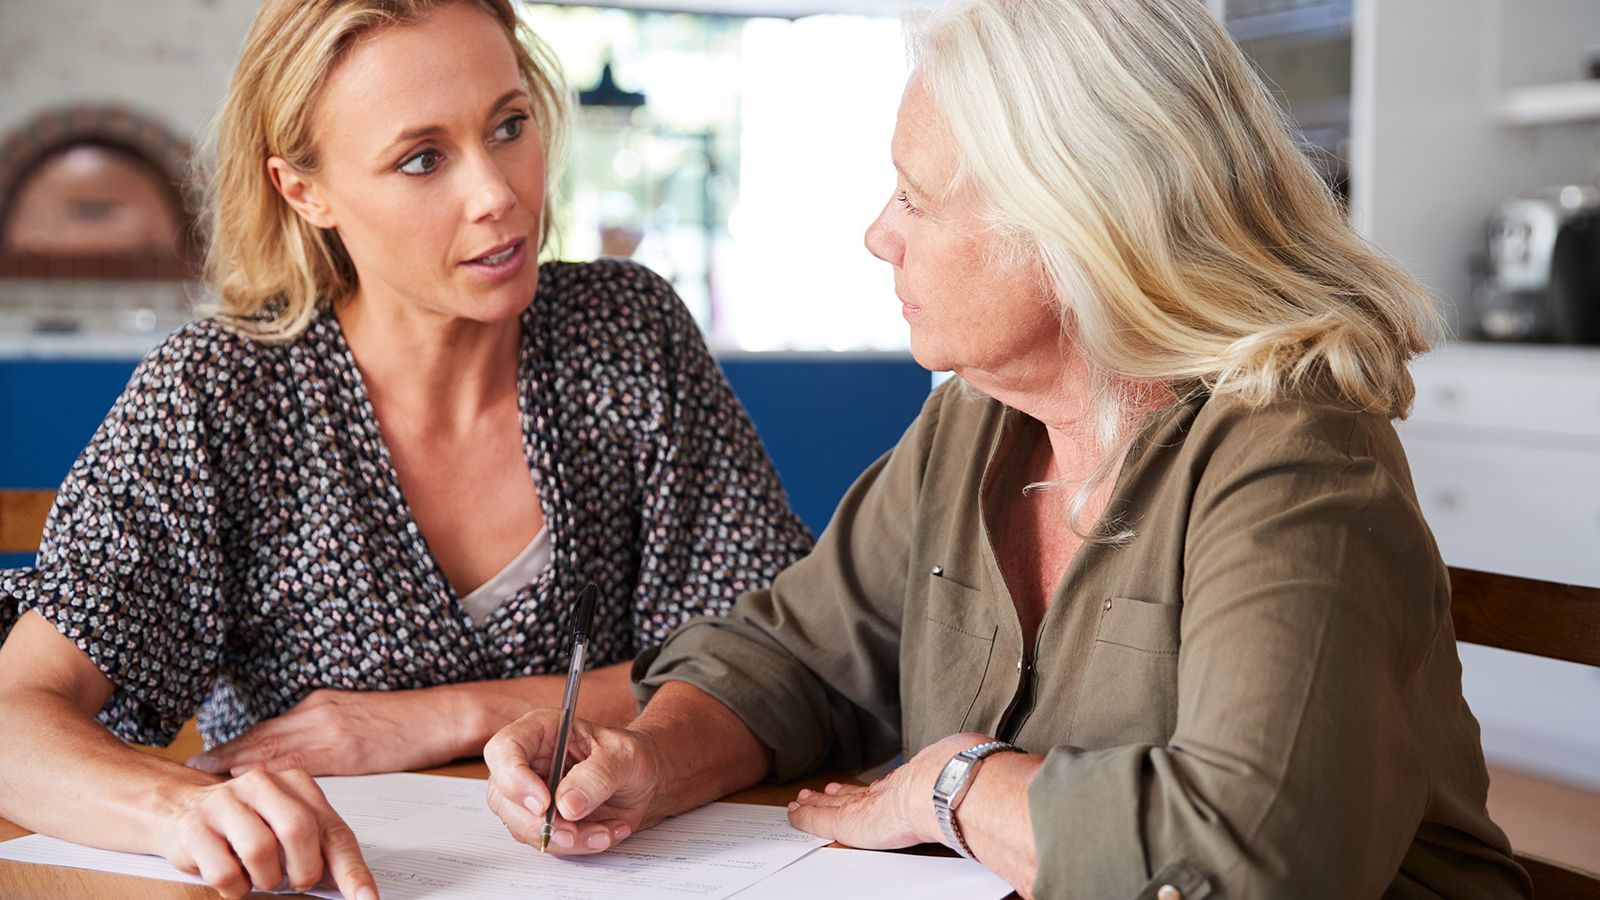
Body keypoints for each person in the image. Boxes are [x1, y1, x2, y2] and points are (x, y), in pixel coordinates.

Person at [480, 0, 1532, 896]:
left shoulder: (1292, 453)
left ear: (1078, 222)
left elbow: (1252, 852)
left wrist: (953, 784)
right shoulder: (975, 418)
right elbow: (796, 657)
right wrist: (651, 758)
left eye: (916, 198)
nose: (876, 235)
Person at [0, 1, 810, 897]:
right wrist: (178, 812)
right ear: (304, 191)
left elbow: (781, 656)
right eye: (423, 159)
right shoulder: (220, 392)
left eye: (509, 125)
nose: (496, 193)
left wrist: (442, 718)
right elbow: (12, 716)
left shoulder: (628, 335)